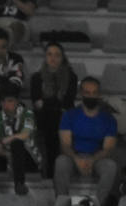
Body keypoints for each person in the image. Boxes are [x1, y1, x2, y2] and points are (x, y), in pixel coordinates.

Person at [55, 76, 118, 206]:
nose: (90, 96)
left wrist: (91, 159)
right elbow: (65, 145)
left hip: (97, 157)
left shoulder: (108, 119)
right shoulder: (69, 115)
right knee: (60, 162)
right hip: (73, 156)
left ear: (99, 94)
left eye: (94, 92)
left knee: (111, 166)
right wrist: (77, 159)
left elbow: (108, 148)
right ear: (81, 94)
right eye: (87, 92)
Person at [0, 82, 39, 198]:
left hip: (28, 157)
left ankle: (19, 184)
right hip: (6, 156)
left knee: (17, 143)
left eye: (10, 101)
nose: (6, 105)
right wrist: (7, 154)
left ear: (17, 101)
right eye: (3, 101)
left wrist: (3, 141)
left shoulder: (28, 114)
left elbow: (24, 135)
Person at [30, 42, 76, 173]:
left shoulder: (71, 77)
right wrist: (55, 104)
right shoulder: (36, 78)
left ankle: (52, 171)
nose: (53, 58)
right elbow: (37, 103)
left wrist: (47, 103)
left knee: (57, 120)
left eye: (57, 55)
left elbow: (68, 102)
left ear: (62, 58)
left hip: (64, 116)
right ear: (45, 57)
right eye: (49, 54)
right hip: (44, 117)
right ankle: (52, 169)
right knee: (50, 121)